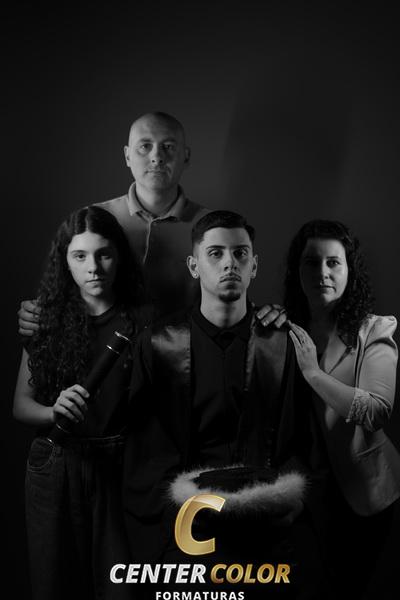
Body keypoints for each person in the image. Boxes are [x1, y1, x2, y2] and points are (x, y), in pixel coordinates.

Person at [123, 210, 332, 599]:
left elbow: (304, 441)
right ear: (194, 266)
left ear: (254, 266)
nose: (229, 264)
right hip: (189, 529)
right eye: (215, 253)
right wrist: (181, 517)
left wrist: (286, 505)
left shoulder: (283, 345)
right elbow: (144, 455)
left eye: (240, 254)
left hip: (268, 527)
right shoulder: (158, 346)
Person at [17, 111, 285, 330]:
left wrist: (265, 314)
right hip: (105, 359)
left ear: (186, 156)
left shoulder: (213, 227)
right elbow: (62, 290)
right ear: (127, 156)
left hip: (183, 360)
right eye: (145, 146)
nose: (156, 157)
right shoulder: (92, 221)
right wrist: (37, 313)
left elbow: (230, 293)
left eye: (168, 147)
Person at [13, 206, 143, 600]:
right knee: (54, 586)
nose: (93, 268)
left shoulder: (142, 321)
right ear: (64, 261)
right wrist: (54, 410)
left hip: (117, 465)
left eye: (104, 254)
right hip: (56, 461)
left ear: (118, 256)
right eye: (80, 256)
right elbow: (20, 406)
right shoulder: (44, 319)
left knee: (119, 587)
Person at [284, 219, 400, 598]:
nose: (322, 273)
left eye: (333, 262)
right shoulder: (284, 330)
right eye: (311, 262)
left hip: (365, 492)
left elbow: (376, 411)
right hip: (305, 491)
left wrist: (313, 374)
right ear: (297, 270)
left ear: (350, 270)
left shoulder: (373, 330)